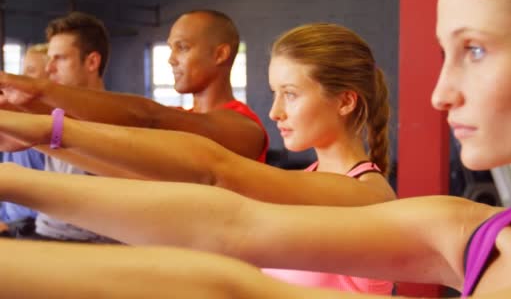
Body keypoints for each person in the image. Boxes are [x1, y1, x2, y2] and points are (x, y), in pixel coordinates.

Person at [1, 0, 511, 297]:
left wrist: (49, 127)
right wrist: (27, 155)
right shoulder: (470, 233)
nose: (440, 92)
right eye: (445, 54)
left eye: (474, 50)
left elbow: (216, 185)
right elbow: (226, 221)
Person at [0, 23, 396, 293]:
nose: (275, 111)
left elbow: (212, 172)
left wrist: (48, 128)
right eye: (275, 93)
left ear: (345, 101)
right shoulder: (312, 178)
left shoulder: (365, 197)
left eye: (290, 94)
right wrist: (38, 137)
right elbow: (160, 184)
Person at [0, 10, 268, 165]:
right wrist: (25, 118)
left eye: (183, 47)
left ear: (220, 54)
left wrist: (36, 89)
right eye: (171, 47)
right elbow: (103, 152)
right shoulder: (181, 115)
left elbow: (149, 117)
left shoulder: (244, 127)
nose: (171, 58)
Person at [0, 43, 48, 233]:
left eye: (30, 72)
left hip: (28, 227)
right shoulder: (14, 120)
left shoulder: (49, 129)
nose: (21, 79)